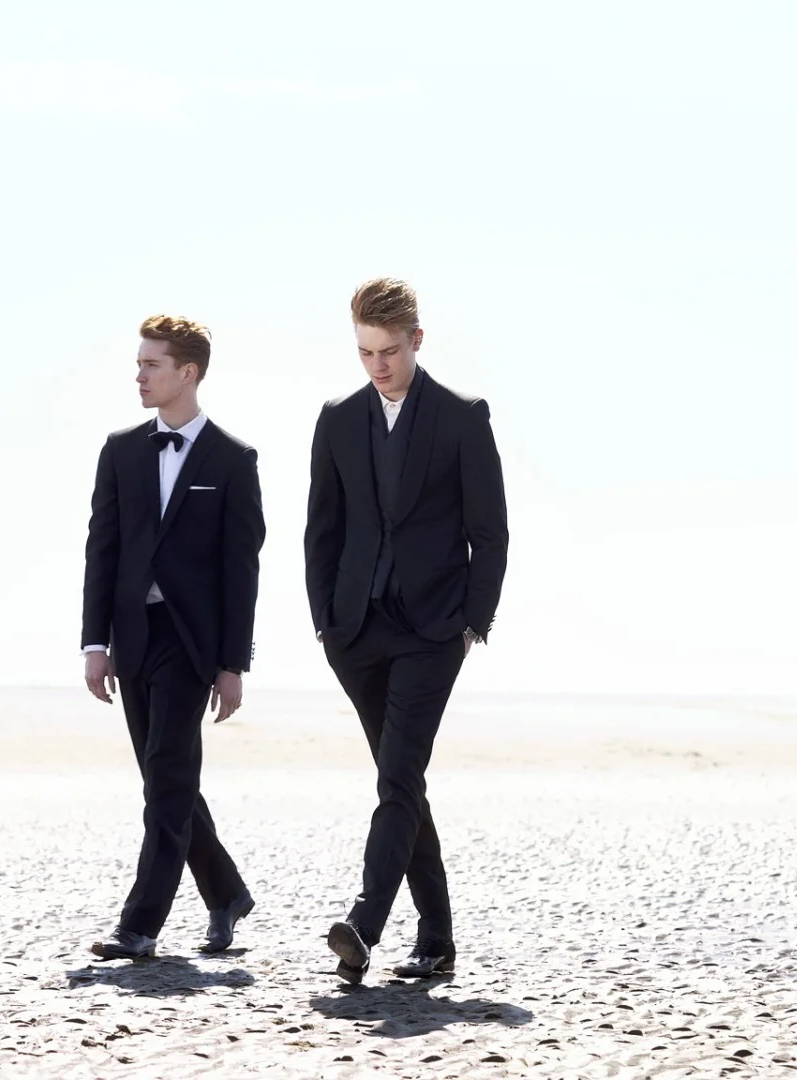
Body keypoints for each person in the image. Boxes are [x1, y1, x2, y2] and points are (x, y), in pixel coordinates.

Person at [304, 278, 508, 983]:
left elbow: (490, 531)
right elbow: (322, 529)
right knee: (403, 781)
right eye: (365, 352)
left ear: (416, 340)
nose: (377, 366)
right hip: (356, 632)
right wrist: (326, 623)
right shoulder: (336, 419)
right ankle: (437, 938)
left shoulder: (462, 417)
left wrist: (471, 625)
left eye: (388, 351)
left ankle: (364, 924)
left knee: (396, 778)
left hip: (432, 630)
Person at [81, 314, 265, 960]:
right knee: (166, 780)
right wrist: (94, 643)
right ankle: (226, 892)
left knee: (166, 777)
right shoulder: (120, 451)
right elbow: (102, 551)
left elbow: (241, 571)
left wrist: (232, 663)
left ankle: (140, 926)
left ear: (187, 372)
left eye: (151, 364)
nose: (139, 375)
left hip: (193, 643)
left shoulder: (234, 460)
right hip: (133, 636)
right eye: (138, 364)